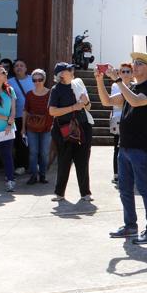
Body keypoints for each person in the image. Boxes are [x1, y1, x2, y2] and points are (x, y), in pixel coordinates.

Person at [96, 53, 147, 243]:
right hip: (125, 145)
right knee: (124, 189)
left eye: (140, 64)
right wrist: (99, 80)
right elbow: (107, 101)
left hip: (141, 146)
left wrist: (118, 80)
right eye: (135, 63)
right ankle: (130, 226)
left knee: (144, 189)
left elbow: (134, 100)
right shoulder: (131, 87)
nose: (135, 66)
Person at [48, 62, 93, 201]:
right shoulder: (56, 89)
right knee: (64, 161)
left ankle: (85, 193)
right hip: (63, 128)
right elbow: (52, 111)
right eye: (68, 69)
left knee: (83, 160)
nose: (71, 70)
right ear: (61, 74)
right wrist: (73, 107)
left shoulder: (78, 83)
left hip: (83, 126)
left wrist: (85, 102)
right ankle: (59, 193)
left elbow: (89, 107)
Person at [22, 68, 52, 186]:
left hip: (47, 126)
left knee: (44, 152)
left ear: (44, 79)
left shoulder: (51, 93)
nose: (37, 82)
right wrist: (23, 128)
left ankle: (43, 175)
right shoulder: (29, 94)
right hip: (32, 127)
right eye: (34, 80)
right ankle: (33, 175)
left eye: (40, 79)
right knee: (33, 152)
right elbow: (25, 111)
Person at [10, 59, 35, 173]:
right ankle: (21, 166)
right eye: (16, 66)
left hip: (33, 116)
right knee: (20, 142)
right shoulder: (9, 82)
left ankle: (34, 165)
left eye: (21, 65)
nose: (19, 67)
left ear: (26, 68)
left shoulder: (33, 79)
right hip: (17, 116)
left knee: (34, 141)